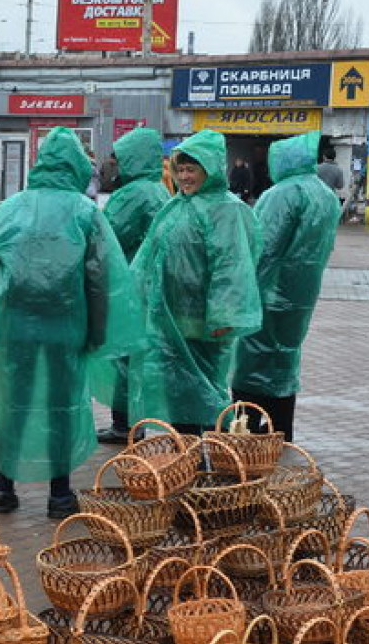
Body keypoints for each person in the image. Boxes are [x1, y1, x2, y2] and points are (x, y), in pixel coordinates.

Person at [0, 127, 140, 519]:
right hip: (64, 324)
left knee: (13, 402)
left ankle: (4, 488)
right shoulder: (85, 211)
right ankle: (59, 494)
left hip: (15, 323)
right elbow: (100, 277)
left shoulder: (11, 207)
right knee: (62, 403)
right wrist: (99, 330)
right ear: (74, 166)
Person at [126, 129, 262, 435]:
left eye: (192, 169)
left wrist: (224, 315)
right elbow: (149, 256)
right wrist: (133, 298)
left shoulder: (226, 209)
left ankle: (207, 460)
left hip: (205, 324)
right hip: (169, 320)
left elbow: (232, 266)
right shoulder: (176, 206)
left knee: (204, 391)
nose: (185, 177)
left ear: (209, 169)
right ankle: (186, 459)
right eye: (181, 169)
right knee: (176, 392)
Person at [230, 131, 341, 441]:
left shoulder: (282, 193)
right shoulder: (325, 195)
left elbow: (262, 247)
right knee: (283, 361)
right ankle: (280, 434)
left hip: (269, 293)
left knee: (251, 363)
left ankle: (246, 436)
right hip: (300, 295)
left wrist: (242, 289)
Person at [91, 126, 172, 444]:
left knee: (123, 359)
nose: (114, 164)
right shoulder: (158, 189)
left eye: (119, 158)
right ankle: (135, 423)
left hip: (127, 287)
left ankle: (125, 426)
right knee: (137, 360)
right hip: (148, 288)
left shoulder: (133, 194)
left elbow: (106, 235)